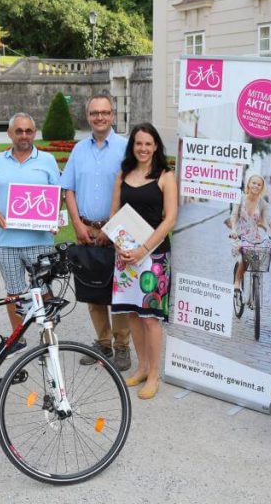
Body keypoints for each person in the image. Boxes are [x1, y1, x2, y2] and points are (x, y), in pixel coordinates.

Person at [60, 93, 132, 371]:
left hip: (118, 229)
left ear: (113, 115)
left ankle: (122, 346)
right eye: (94, 113)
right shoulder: (79, 150)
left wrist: (113, 228)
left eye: (104, 112)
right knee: (92, 288)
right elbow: (69, 189)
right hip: (87, 228)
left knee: (119, 290)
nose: (99, 117)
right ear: (88, 117)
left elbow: (132, 191)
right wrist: (78, 224)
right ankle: (103, 343)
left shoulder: (125, 149)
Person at [0, 112, 61, 352]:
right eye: (19, 131)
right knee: (14, 292)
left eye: (28, 131)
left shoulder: (47, 160)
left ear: (34, 133)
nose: (24, 135)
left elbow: (58, 196)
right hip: (8, 241)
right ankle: (18, 338)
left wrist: (54, 216)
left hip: (40, 240)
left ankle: (47, 337)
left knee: (44, 290)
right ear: (10, 133)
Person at [110, 123, 178, 399]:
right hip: (125, 256)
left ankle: (154, 375)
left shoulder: (165, 176)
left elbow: (170, 219)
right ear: (133, 146)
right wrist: (121, 246)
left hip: (154, 256)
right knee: (133, 314)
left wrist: (143, 250)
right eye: (138, 143)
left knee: (150, 317)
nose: (143, 148)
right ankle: (141, 367)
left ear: (156, 146)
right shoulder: (123, 174)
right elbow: (113, 215)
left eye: (148, 144)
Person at [229, 174, 271, 292]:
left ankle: (254, 289)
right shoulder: (240, 198)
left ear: (262, 187)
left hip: (254, 236)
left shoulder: (262, 203)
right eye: (254, 183)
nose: (256, 186)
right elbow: (234, 214)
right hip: (240, 235)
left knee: (258, 258)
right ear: (249, 184)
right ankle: (237, 281)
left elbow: (269, 218)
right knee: (246, 258)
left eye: (259, 184)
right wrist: (233, 230)